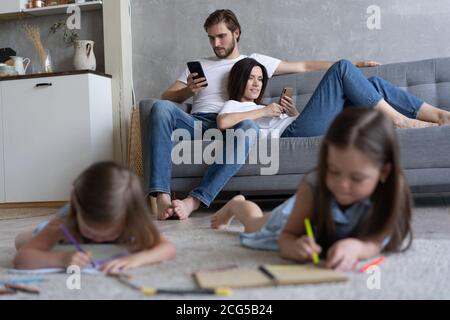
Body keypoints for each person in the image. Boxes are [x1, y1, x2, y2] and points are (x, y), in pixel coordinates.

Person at [150, 9, 380, 220]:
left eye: (221, 37)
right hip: (201, 122)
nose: (216, 44)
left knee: (250, 127)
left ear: (236, 33)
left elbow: (304, 67)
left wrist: (355, 63)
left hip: (236, 122)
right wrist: (188, 90)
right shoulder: (197, 65)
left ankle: (196, 200)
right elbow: (167, 97)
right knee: (159, 108)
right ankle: (162, 196)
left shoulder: (255, 62)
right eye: (211, 38)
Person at [211, 108, 413, 272]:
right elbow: (287, 236)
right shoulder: (314, 184)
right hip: (298, 214)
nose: (342, 185)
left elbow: (378, 240)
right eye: (333, 171)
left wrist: (357, 247)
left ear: (384, 171)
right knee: (254, 224)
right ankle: (236, 205)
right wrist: (292, 247)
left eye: (357, 178)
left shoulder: (392, 192)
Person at [218, 57, 450, 137]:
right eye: (251, 78)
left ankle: (440, 116)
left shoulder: (258, 107)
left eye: (260, 79)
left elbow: (289, 121)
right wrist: (265, 110)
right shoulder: (232, 105)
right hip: (290, 135)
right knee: (342, 68)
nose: (257, 84)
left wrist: (292, 113)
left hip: (296, 125)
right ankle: (399, 120)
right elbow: (223, 122)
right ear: (239, 80)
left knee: (374, 83)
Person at [14, 162, 176, 273]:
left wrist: (137, 259)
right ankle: (39, 228)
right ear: (77, 212)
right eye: (91, 232)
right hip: (61, 238)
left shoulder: (131, 219)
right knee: (21, 241)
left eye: (109, 234)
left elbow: (167, 248)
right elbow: (22, 259)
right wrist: (61, 259)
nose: (98, 240)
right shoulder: (65, 221)